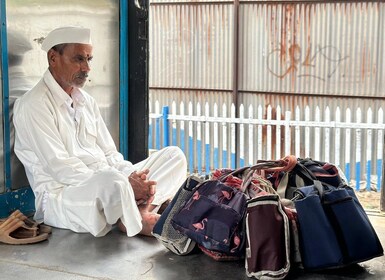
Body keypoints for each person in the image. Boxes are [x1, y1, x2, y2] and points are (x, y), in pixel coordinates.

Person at [13, 26, 187, 237]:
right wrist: (124, 183)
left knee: (174, 156)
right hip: (65, 195)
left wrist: (133, 177)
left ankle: (138, 209)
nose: (86, 68)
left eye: (89, 59)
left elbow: (110, 154)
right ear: (53, 58)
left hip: (109, 184)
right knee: (111, 180)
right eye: (78, 59)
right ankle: (138, 213)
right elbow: (62, 169)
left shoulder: (86, 101)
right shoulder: (34, 104)